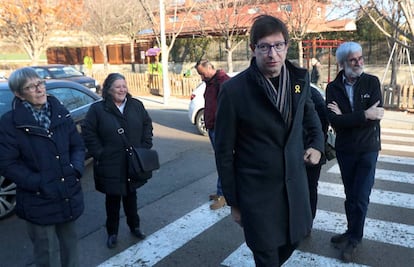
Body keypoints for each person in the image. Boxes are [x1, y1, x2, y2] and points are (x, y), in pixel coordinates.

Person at [214, 15, 324, 266]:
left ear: (287, 46)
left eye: (278, 45)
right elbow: (223, 152)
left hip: (295, 189)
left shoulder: (299, 80)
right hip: (257, 196)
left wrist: (317, 145)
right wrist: (234, 202)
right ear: (253, 49)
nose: (272, 53)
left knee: (293, 242)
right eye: (264, 46)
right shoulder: (234, 91)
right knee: (266, 258)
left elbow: (311, 117)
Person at [0, 67, 85, 267]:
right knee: (47, 254)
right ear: (19, 94)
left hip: (67, 193)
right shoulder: (10, 123)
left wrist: (76, 169)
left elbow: (77, 145)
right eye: (31, 87)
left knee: (71, 247)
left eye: (40, 83)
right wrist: (38, 183)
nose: (39, 90)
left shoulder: (60, 112)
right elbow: (7, 163)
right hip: (38, 198)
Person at [326, 41, 384, 262]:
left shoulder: (371, 82)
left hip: (368, 149)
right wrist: (362, 115)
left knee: (361, 196)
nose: (359, 63)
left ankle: (355, 239)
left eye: (361, 58)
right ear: (342, 63)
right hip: (346, 149)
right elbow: (335, 122)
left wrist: (348, 117)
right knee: (350, 195)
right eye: (353, 60)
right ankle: (350, 231)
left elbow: (375, 116)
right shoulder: (333, 87)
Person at [82, 73, 153, 249]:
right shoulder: (97, 109)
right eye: (117, 86)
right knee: (112, 200)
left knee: (131, 197)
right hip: (110, 163)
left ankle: (134, 226)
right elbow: (88, 133)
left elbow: (147, 125)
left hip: (133, 161)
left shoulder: (136, 105)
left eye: (124, 85)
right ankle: (112, 233)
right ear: (109, 89)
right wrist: (99, 153)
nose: (122, 89)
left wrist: (145, 146)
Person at [195, 59, 230, 210]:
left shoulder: (222, 81)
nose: (201, 78)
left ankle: (224, 195)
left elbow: (228, 106)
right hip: (213, 128)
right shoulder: (211, 83)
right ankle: (221, 192)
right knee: (220, 161)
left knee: (223, 162)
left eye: (202, 74)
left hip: (221, 129)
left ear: (210, 68)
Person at [305, 86, 329, 222]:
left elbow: (322, 125)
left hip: (312, 150)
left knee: (309, 187)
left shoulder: (311, 94)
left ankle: (308, 221)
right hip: (304, 149)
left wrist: (315, 146)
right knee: (309, 188)